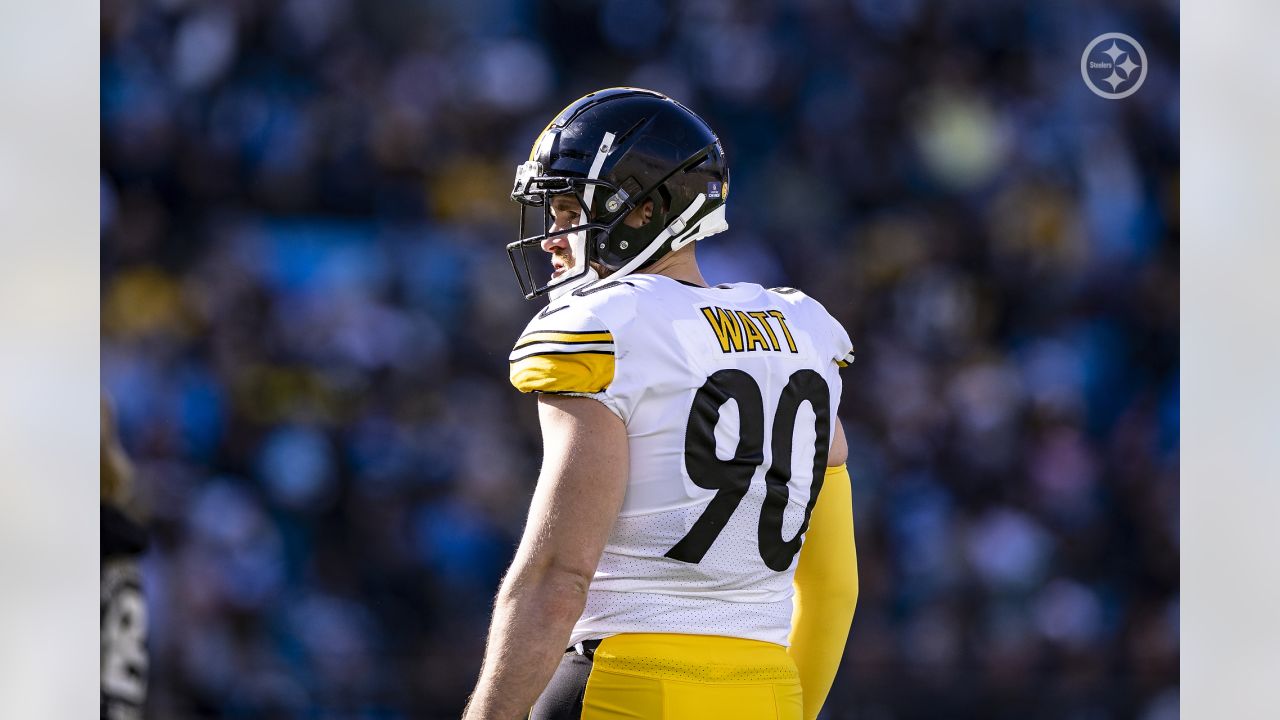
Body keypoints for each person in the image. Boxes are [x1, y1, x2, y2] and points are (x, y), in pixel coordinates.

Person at [464, 88, 858, 720]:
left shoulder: (606, 327)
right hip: (767, 690)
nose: (551, 239)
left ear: (645, 211)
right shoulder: (801, 331)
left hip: (627, 683)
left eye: (568, 213)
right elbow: (835, 589)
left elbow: (557, 579)